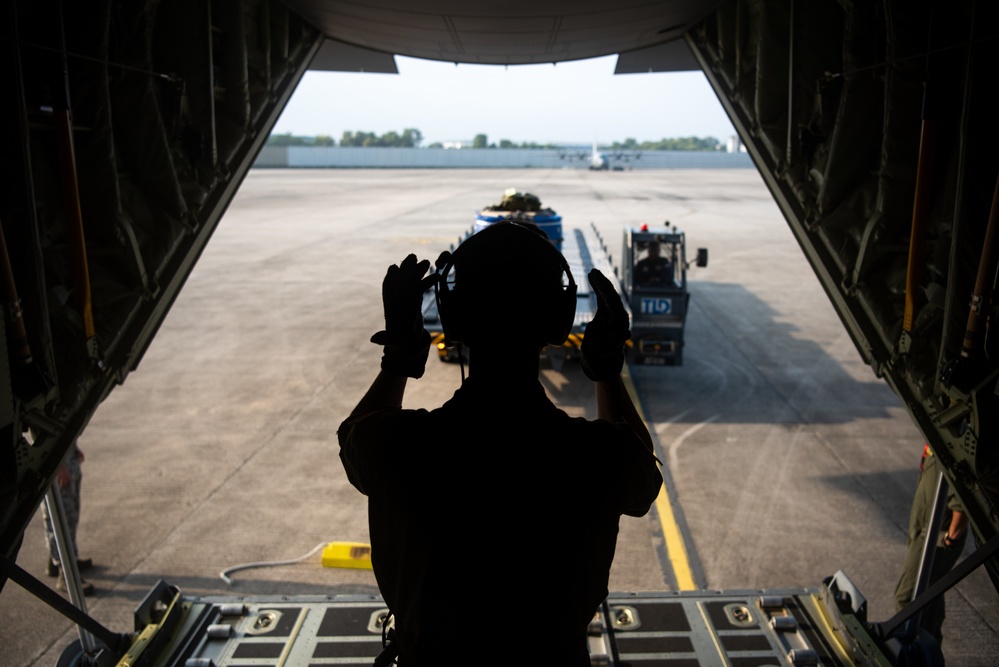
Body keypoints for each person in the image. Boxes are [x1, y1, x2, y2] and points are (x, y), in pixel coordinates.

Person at [338, 221, 663, 666]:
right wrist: (605, 369)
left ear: (453, 319)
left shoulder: (399, 447)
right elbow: (641, 473)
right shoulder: (594, 457)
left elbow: (356, 434)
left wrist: (400, 355)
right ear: (557, 318)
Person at [894, 443, 969, 644]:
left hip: (935, 539)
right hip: (924, 533)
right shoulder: (935, 447)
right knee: (930, 602)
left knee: (908, 599)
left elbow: (962, 506)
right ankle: (930, 653)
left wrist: (948, 539)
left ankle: (912, 655)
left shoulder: (949, 448)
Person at [41, 442, 94, 596]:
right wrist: (58, 466)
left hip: (67, 456)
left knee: (70, 515)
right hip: (57, 463)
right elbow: (38, 433)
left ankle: (63, 559)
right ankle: (65, 573)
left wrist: (73, 448)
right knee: (59, 518)